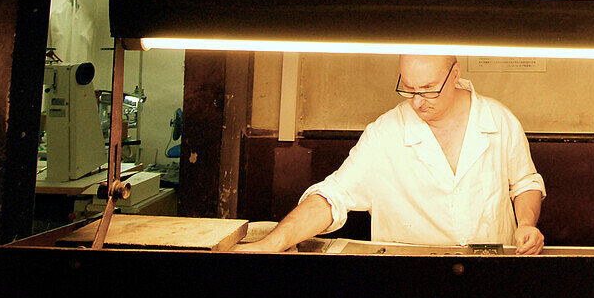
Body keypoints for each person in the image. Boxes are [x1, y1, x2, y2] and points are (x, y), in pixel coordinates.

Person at [234, 54, 546, 254]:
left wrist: (527, 223)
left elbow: (525, 182)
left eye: (428, 89)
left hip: (491, 275)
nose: (418, 102)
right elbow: (333, 197)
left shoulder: (499, 119)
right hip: (407, 281)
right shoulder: (385, 133)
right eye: (408, 89)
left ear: (455, 73)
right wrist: (274, 243)